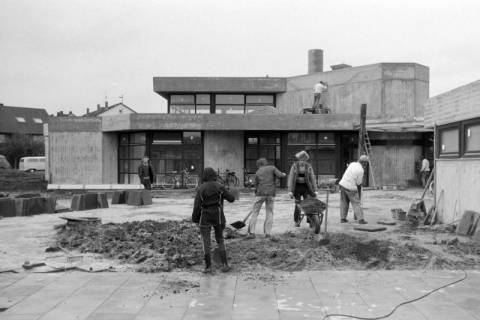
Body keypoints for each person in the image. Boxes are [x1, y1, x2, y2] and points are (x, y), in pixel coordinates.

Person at [192, 167, 235, 273]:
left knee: (205, 241)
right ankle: (225, 264)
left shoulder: (201, 189)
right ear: (214, 175)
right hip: (218, 215)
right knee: (220, 239)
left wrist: (195, 219)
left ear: (204, 176)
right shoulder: (220, 186)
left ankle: (208, 267)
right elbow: (231, 199)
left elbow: (197, 207)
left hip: (205, 216)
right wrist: (229, 191)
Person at [247, 158, 286, 239]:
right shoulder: (272, 168)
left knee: (255, 212)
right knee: (269, 212)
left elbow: (256, 185)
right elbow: (280, 175)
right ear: (265, 163)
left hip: (260, 194)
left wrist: (256, 194)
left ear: (259, 165)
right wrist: (283, 174)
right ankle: (267, 233)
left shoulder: (257, 172)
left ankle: (252, 232)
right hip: (271, 194)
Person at [288, 150, 318, 227]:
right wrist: (290, 190)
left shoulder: (308, 166)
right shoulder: (294, 166)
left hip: (306, 187)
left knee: (308, 203)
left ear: (306, 159)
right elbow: (291, 178)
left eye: (304, 159)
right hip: (297, 187)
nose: (302, 160)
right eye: (301, 159)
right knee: (298, 204)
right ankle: (297, 221)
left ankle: (311, 221)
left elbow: (312, 178)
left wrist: (315, 189)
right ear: (299, 158)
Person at [338, 155, 369, 224]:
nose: (366, 165)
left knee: (344, 202)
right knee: (356, 203)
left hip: (342, 185)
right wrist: (358, 192)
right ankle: (360, 219)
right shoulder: (361, 170)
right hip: (351, 187)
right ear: (364, 163)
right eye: (366, 163)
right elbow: (358, 183)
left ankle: (343, 219)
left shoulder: (352, 164)